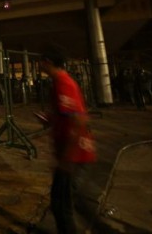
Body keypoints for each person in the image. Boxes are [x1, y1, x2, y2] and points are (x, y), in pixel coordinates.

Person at [39, 44, 97, 234]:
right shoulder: (60, 82)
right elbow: (69, 115)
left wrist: (66, 158)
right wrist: (51, 120)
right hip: (71, 154)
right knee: (62, 202)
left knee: (61, 204)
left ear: (47, 62)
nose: (39, 65)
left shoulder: (63, 82)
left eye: (40, 61)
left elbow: (78, 120)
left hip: (74, 155)